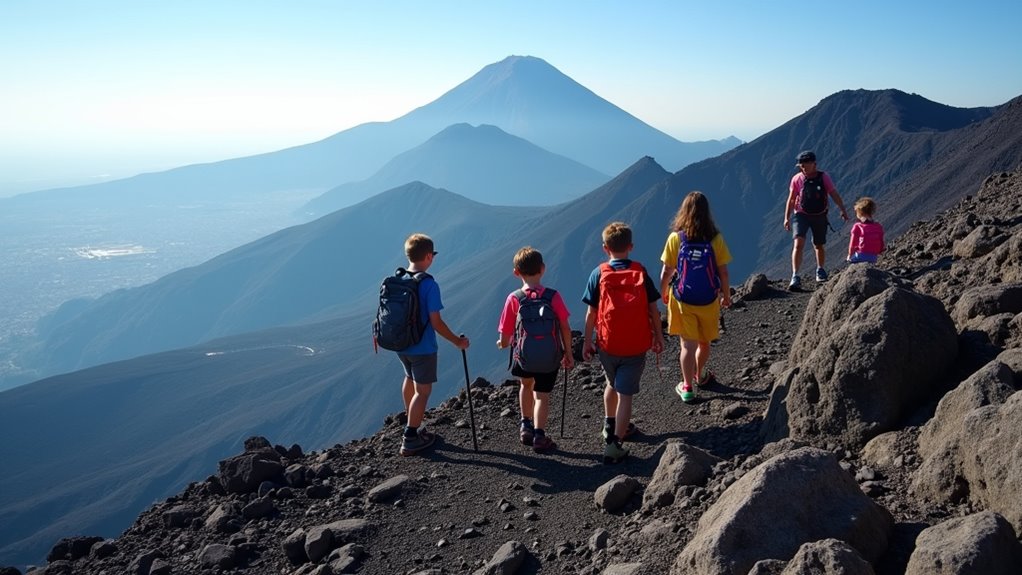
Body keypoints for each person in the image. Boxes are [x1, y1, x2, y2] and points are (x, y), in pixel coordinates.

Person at [581, 222, 665, 464]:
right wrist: (658, 337)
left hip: (608, 344)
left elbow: (591, 313)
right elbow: (653, 310)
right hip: (636, 345)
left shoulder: (599, 273)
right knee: (625, 394)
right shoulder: (640, 272)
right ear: (630, 246)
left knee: (611, 383)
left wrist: (588, 342)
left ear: (605, 248)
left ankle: (610, 424)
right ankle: (616, 442)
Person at [393, 233, 470, 456]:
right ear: (428, 256)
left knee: (409, 378)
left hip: (401, 344)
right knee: (423, 390)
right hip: (423, 347)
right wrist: (458, 341)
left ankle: (412, 421)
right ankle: (411, 436)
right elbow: (436, 322)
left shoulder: (398, 279)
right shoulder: (428, 284)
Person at [497, 247, 574, 453]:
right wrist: (568, 353)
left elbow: (505, 338)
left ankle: (525, 425)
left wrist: (502, 344)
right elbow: (565, 327)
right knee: (542, 396)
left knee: (526, 385)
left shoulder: (514, 299)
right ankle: (540, 436)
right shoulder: (553, 297)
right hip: (550, 357)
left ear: (516, 272)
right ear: (543, 269)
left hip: (523, 358)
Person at [659, 191, 732, 403]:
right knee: (704, 342)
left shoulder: (676, 238)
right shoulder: (715, 239)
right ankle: (699, 375)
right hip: (708, 299)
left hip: (683, 299)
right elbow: (724, 272)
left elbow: (666, 272)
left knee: (687, 345)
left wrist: (663, 293)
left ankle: (687, 386)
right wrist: (726, 296)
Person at [783, 150, 850, 289]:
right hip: (800, 214)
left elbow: (833, 193)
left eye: (805, 164)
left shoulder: (824, 177)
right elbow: (791, 199)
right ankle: (795, 275)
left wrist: (842, 209)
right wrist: (787, 218)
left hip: (819, 214)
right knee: (798, 242)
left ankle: (820, 270)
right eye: (801, 165)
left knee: (818, 244)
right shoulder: (797, 179)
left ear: (814, 164)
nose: (803, 167)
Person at [847, 197, 885, 264]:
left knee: (850, 260)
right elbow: (881, 243)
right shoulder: (878, 226)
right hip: (873, 257)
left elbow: (852, 245)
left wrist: (849, 256)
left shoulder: (858, 226)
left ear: (860, 212)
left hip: (861, 255)